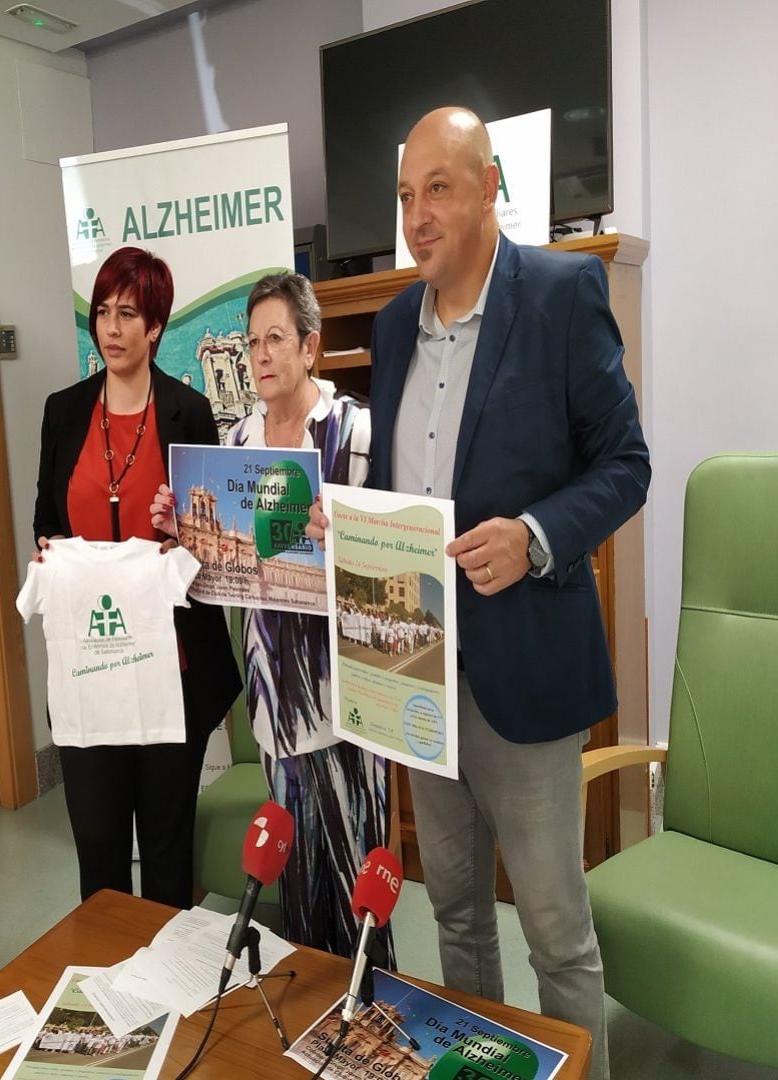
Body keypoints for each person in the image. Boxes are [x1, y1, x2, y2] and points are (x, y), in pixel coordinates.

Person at [309, 108, 650, 1079]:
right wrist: (354, 517)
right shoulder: (390, 326)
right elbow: (408, 488)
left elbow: (625, 464)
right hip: (417, 668)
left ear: (490, 185)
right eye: (407, 195)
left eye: (440, 188)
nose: (418, 215)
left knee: (554, 931)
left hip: (526, 678)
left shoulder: (561, 293)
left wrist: (537, 537)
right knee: (454, 910)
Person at [152, 272, 393, 960]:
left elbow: (395, 558)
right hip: (275, 697)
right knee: (298, 876)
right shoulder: (236, 444)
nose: (261, 355)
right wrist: (182, 534)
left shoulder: (358, 433)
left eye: (277, 339)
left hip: (349, 694)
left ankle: (363, 1010)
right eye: (253, 341)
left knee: (355, 874)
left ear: (311, 347)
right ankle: (312, 1018)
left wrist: (342, 536)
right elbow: (219, 571)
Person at [32, 245, 241, 910]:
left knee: (167, 849)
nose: (112, 328)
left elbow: (216, 547)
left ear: (156, 326)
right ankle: (112, 999)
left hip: (171, 675)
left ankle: (170, 997)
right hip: (92, 673)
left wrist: (184, 529)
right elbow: (46, 518)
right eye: (102, 312)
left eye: (128, 313)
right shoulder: (63, 412)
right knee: (97, 847)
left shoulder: (189, 412)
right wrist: (50, 552)